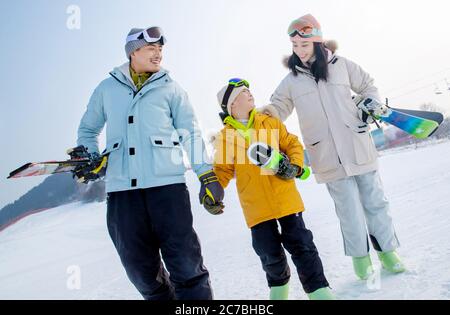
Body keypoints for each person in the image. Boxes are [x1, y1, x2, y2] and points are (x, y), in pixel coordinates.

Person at [73, 26, 224, 299]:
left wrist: (207, 175)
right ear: (133, 52)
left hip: (167, 190)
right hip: (122, 194)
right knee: (140, 272)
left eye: (160, 50)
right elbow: (88, 130)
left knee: (187, 267)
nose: (158, 54)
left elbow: (191, 133)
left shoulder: (171, 89)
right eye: (151, 49)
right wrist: (91, 157)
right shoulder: (107, 88)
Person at [260, 14, 406, 280]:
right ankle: (362, 260)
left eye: (304, 45)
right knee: (348, 211)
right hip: (327, 155)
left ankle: (388, 252)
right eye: (294, 46)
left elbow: (368, 86)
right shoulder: (291, 81)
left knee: (376, 203)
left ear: (317, 42)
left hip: (357, 146)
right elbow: (278, 107)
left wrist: (369, 103)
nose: (299, 52)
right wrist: (263, 116)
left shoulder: (342, 65)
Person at [211, 78, 335, 300]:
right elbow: (221, 170)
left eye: (250, 90)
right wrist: (213, 191)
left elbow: (292, 143)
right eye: (243, 92)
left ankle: (319, 292)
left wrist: (295, 165)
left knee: (302, 245)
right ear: (231, 104)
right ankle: (279, 291)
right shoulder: (225, 138)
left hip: (285, 199)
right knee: (268, 253)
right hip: (256, 208)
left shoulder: (269, 122)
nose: (250, 94)